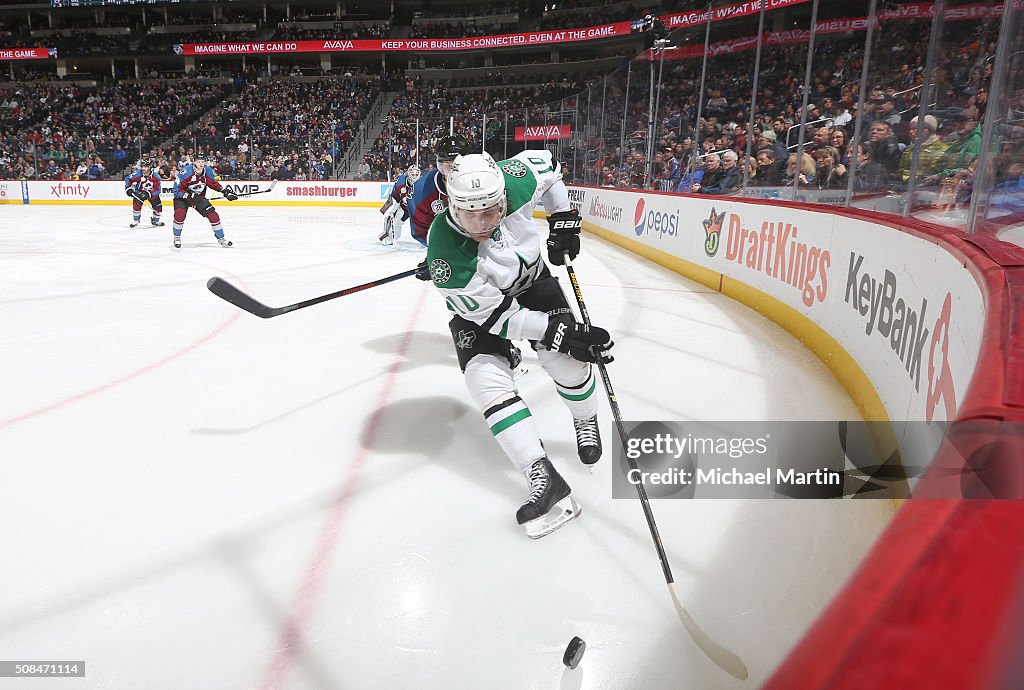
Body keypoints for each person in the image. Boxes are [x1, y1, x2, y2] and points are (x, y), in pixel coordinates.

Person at [418, 150, 613, 539]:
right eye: (467, 213)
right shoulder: (444, 247)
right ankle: (541, 473)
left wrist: (563, 219)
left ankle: (584, 418)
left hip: (535, 284)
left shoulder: (517, 177)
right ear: (450, 203)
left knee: (566, 365)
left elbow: (550, 169)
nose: (480, 223)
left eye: (489, 211)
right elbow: (497, 318)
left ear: (503, 196)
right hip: (487, 310)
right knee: (484, 380)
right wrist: (560, 331)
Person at [408, 135, 468, 247]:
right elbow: (420, 231)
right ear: (440, 165)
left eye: (459, 165)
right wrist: (442, 248)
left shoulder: (482, 180)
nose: (454, 171)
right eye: (449, 166)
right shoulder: (422, 190)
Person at [171, 152, 237, 249]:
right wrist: (188, 195)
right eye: (198, 162)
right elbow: (176, 190)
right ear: (194, 162)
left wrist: (225, 191)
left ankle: (221, 238)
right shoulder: (185, 172)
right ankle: (177, 237)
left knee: (214, 216)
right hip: (182, 198)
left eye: (203, 162)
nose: (201, 164)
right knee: (179, 215)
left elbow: (213, 183)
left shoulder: (208, 171)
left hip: (198, 198)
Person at [378, 164, 421, 246]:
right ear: (409, 174)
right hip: (397, 201)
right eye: (413, 174)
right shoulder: (401, 184)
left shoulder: (422, 184)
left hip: (410, 207)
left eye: (416, 174)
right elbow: (401, 199)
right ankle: (386, 233)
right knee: (389, 213)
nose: (415, 176)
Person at [123, 159, 164, 228]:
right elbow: (128, 179)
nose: (143, 168)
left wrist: (149, 194)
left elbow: (158, 190)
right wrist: (128, 188)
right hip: (139, 192)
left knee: (158, 207)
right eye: (143, 166)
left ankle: (155, 221)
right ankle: (136, 220)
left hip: (151, 194)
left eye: (146, 167)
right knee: (136, 204)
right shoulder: (138, 174)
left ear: (150, 167)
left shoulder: (156, 176)